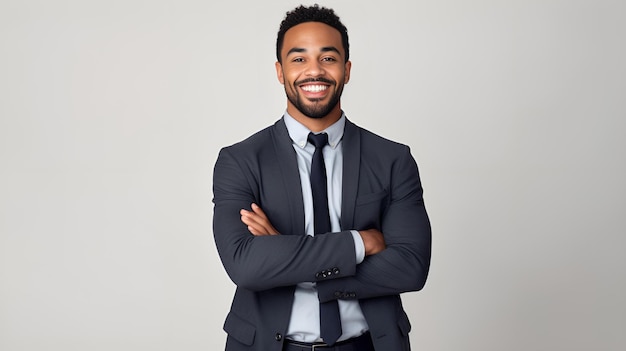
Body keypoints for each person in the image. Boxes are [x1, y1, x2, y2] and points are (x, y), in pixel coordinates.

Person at [212, 4, 431, 351]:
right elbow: (246, 266)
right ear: (280, 71)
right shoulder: (240, 161)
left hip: (369, 344)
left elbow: (410, 267)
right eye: (298, 59)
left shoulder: (393, 159)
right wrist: (362, 243)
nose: (314, 71)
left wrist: (285, 257)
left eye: (328, 58)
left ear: (346, 70)